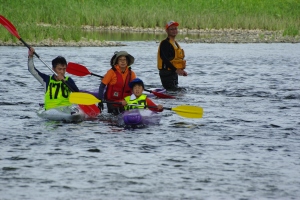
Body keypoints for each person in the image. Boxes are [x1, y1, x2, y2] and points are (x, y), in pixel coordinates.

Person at [157, 20, 188, 90]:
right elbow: (165, 59)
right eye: (171, 29)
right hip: (166, 73)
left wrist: (180, 70)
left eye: (175, 28)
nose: (174, 30)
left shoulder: (175, 43)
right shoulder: (165, 43)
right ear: (167, 31)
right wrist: (176, 70)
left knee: (176, 91)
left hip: (173, 72)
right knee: (173, 92)